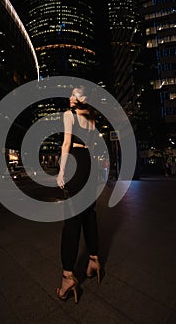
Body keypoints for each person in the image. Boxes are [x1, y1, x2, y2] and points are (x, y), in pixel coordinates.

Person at [56, 85, 101, 304]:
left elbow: (66, 143)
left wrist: (62, 170)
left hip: (75, 163)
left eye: (74, 94)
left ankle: (67, 278)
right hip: (89, 166)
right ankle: (94, 260)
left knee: (72, 220)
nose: (70, 96)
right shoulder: (92, 119)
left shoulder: (69, 115)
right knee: (89, 215)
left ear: (81, 98)